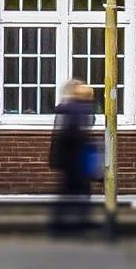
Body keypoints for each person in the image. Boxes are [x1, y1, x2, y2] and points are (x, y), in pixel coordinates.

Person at [47, 79, 97, 234]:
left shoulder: (66, 109)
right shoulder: (78, 109)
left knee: (68, 192)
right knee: (80, 192)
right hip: (76, 156)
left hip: (67, 157)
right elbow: (79, 132)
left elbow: (60, 134)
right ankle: (75, 225)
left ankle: (61, 225)